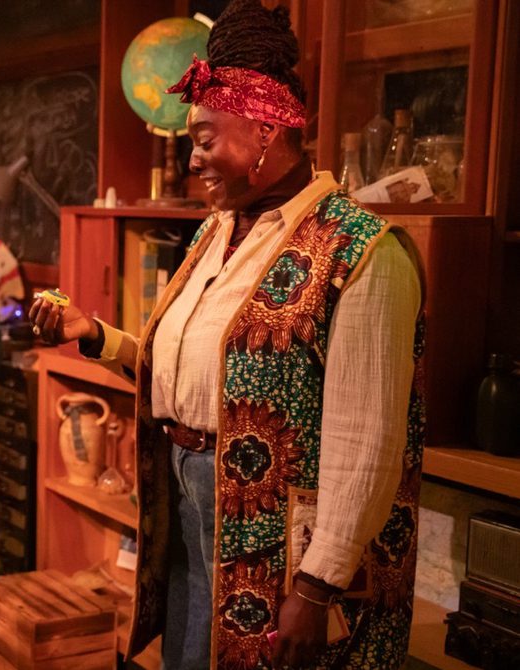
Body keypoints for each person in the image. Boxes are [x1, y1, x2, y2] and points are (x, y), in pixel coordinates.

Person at [31, 2, 425, 668]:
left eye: (205, 138)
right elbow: (203, 377)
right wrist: (95, 335)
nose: (193, 159)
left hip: (279, 539)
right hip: (190, 502)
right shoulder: (218, 233)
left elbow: (369, 440)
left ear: (264, 128)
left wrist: (317, 584)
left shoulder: (360, 251)